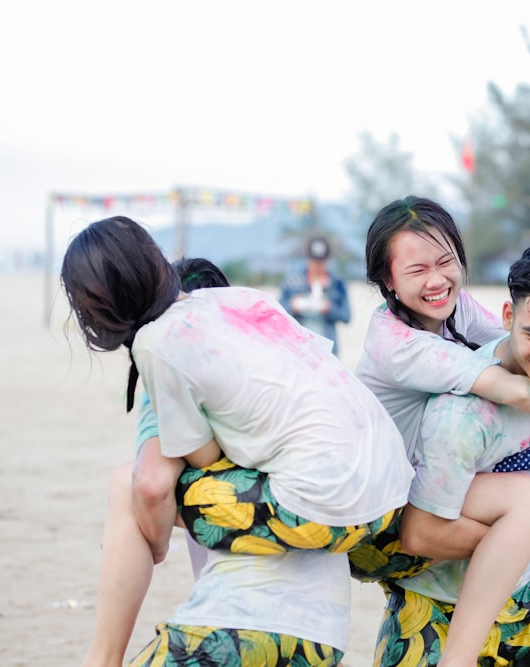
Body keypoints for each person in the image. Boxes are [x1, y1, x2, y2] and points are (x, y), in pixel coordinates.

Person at [61, 218, 412, 666]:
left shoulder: (157, 342)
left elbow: (175, 475)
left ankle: (100, 660)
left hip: (322, 508)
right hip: (389, 491)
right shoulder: (241, 300)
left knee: (124, 486)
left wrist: (156, 539)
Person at [350, 196, 530, 666]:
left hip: (430, 482)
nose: (437, 280)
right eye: (417, 270)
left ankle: (510, 559)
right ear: (387, 281)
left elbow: (528, 342)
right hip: (383, 516)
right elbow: (516, 389)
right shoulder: (393, 343)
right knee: (526, 502)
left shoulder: (455, 309)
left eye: (446, 262)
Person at [280, 236, 351, 356]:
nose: (317, 266)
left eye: (321, 261)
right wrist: (292, 305)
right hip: (298, 350)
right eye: (314, 261)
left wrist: (329, 308)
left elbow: (346, 316)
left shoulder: (337, 284)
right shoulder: (292, 281)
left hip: (327, 353)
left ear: (327, 259)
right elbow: (277, 310)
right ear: (308, 258)